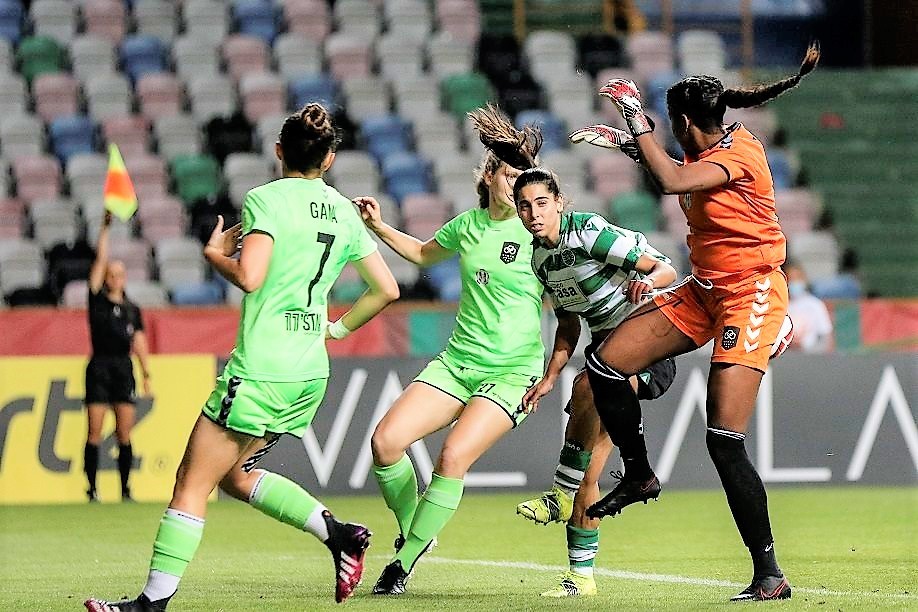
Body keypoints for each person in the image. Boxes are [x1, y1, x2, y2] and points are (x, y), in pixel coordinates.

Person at [85, 102, 400, 611]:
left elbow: (250, 276)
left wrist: (214, 257)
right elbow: (385, 289)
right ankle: (338, 534)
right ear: (330, 160)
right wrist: (336, 328)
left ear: (279, 151)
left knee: (191, 483)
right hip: (307, 373)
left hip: (261, 368)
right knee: (234, 476)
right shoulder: (343, 210)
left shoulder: (266, 200)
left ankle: (151, 604)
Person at [566, 42, 821, 601]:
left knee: (723, 437)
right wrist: (632, 145)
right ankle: (639, 474)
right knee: (606, 364)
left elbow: (674, 182)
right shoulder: (714, 148)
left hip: (750, 293)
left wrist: (634, 119)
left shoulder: (743, 154)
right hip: (706, 289)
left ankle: (769, 573)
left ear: (681, 122)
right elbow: (682, 171)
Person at [359, 104, 546, 595]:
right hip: (458, 363)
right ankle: (413, 533)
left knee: (451, 459)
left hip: (511, 374)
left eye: (523, 179)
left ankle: (401, 565)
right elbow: (423, 253)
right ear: (489, 176)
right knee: (385, 443)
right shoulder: (467, 226)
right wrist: (379, 228)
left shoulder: (538, 235)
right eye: (509, 176)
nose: (517, 188)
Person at [512, 167, 678, 597]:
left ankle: (557, 494)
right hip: (605, 350)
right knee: (590, 468)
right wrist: (549, 378)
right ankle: (581, 577)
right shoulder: (540, 260)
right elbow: (569, 325)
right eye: (525, 206)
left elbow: (663, 270)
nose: (533, 213)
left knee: (589, 385)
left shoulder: (587, 231)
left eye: (542, 203)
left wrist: (645, 284)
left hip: (648, 338)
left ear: (560, 202)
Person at [84, 209, 152, 503]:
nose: (115, 278)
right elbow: (100, 261)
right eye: (111, 274)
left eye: (120, 274)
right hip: (99, 366)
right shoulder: (96, 300)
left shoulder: (132, 309)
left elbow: (139, 340)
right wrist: (104, 229)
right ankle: (93, 488)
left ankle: (125, 489)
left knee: (125, 432)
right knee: (94, 431)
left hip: (123, 368)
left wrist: (147, 372)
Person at [785, 262, 833, 353]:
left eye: (797, 278)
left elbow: (826, 338)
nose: (794, 282)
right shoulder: (782, 307)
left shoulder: (815, 305)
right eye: (791, 279)